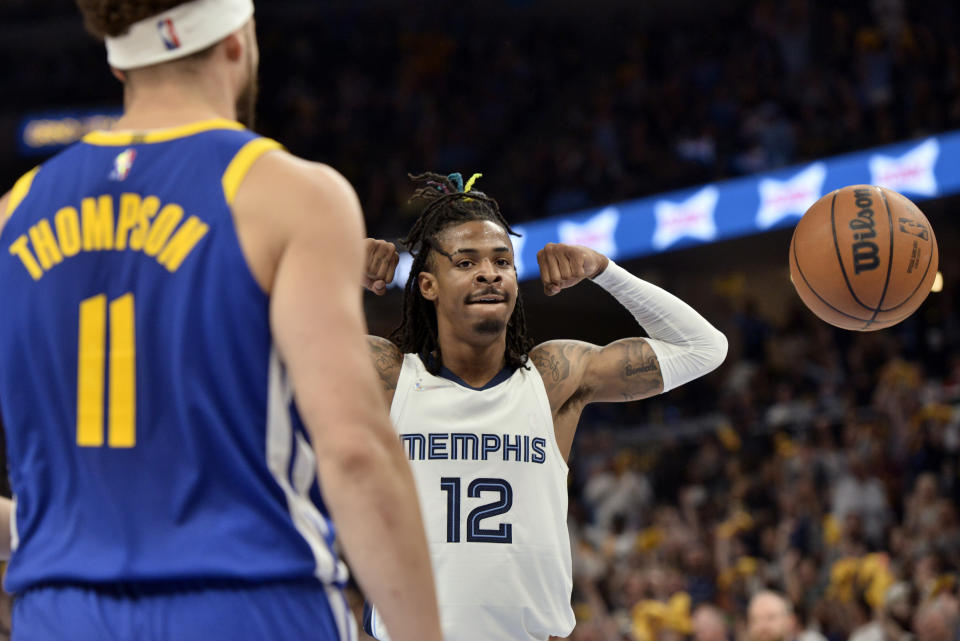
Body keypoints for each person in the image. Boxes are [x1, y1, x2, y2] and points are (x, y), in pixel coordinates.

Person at [0, 2, 442, 640]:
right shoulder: (289, 196)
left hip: (60, 614)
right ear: (238, 41)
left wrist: (55, 534)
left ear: (121, 65)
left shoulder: (15, 213)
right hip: (248, 604)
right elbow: (354, 454)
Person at [362, 172, 728, 641]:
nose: (489, 272)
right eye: (466, 261)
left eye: (502, 260)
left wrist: (604, 270)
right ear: (428, 285)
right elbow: (248, 354)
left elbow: (704, 348)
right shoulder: (388, 378)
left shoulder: (554, 378)